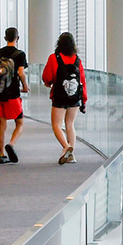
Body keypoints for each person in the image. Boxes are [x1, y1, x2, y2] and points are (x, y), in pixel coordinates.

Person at [41, 31, 87, 165]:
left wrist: (49, 83)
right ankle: (71, 156)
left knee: (56, 125)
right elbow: (82, 81)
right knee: (70, 125)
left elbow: (47, 77)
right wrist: (83, 99)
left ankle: (67, 147)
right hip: (74, 98)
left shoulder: (53, 58)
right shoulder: (77, 60)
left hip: (59, 96)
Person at [0, 27, 29, 164]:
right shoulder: (19, 54)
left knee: (2, 125)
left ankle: (2, 154)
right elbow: (21, 73)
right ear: (17, 38)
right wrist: (25, 86)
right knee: (20, 123)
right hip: (13, 94)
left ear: (5, 38)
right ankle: (11, 144)